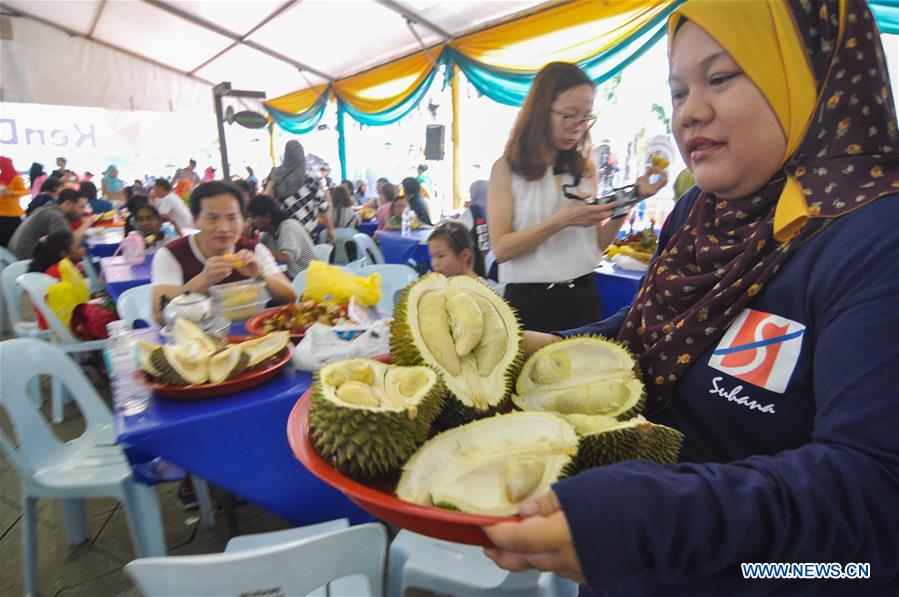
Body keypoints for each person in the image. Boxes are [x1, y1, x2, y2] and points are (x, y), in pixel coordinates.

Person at [484, 1, 899, 594]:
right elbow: (660, 328)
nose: (689, 113)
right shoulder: (699, 215)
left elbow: (875, 503)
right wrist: (553, 348)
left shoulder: (874, 240)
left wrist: (661, 520)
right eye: (678, 92)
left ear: (810, 77)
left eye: (721, 77)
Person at [488, 61, 665, 332]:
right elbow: (501, 249)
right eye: (569, 115)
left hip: (583, 298)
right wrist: (561, 220)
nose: (578, 127)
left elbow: (596, 246)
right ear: (540, 111)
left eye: (585, 117)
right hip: (528, 305)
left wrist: (634, 197)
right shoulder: (506, 169)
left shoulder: (584, 169)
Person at [151, 181, 295, 323]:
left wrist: (260, 275)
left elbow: (290, 297)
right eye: (212, 218)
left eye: (232, 218)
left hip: (251, 336)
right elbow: (160, 316)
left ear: (243, 219)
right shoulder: (171, 254)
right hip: (196, 341)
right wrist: (204, 280)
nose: (224, 228)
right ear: (195, 220)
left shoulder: (253, 250)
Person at [265, 140, 333, 242]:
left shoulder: (277, 176)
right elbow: (323, 207)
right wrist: (330, 229)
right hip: (307, 234)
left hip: (283, 235)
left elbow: (266, 201)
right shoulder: (310, 179)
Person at [246, 195, 316, 280]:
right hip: (293, 278)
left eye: (254, 217)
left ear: (268, 217)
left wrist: (260, 251)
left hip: (308, 280)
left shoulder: (288, 226)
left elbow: (286, 258)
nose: (252, 222)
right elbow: (257, 250)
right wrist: (248, 236)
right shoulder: (268, 235)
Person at [9, 189, 88, 259]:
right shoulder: (55, 216)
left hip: (12, 255)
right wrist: (86, 223)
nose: (81, 211)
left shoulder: (47, 208)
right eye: (78, 207)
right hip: (25, 258)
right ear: (68, 204)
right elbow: (70, 243)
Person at [459, 179, 492, 276]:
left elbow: (458, 230)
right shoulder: (495, 208)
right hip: (494, 262)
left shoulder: (471, 211)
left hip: (477, 264)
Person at [0, 157, 30, 247]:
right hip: (1, 212)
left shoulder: (16, 177)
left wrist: (11, 192)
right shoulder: (1, 176)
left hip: (12, 213)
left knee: (11, 237)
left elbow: (25, 191)